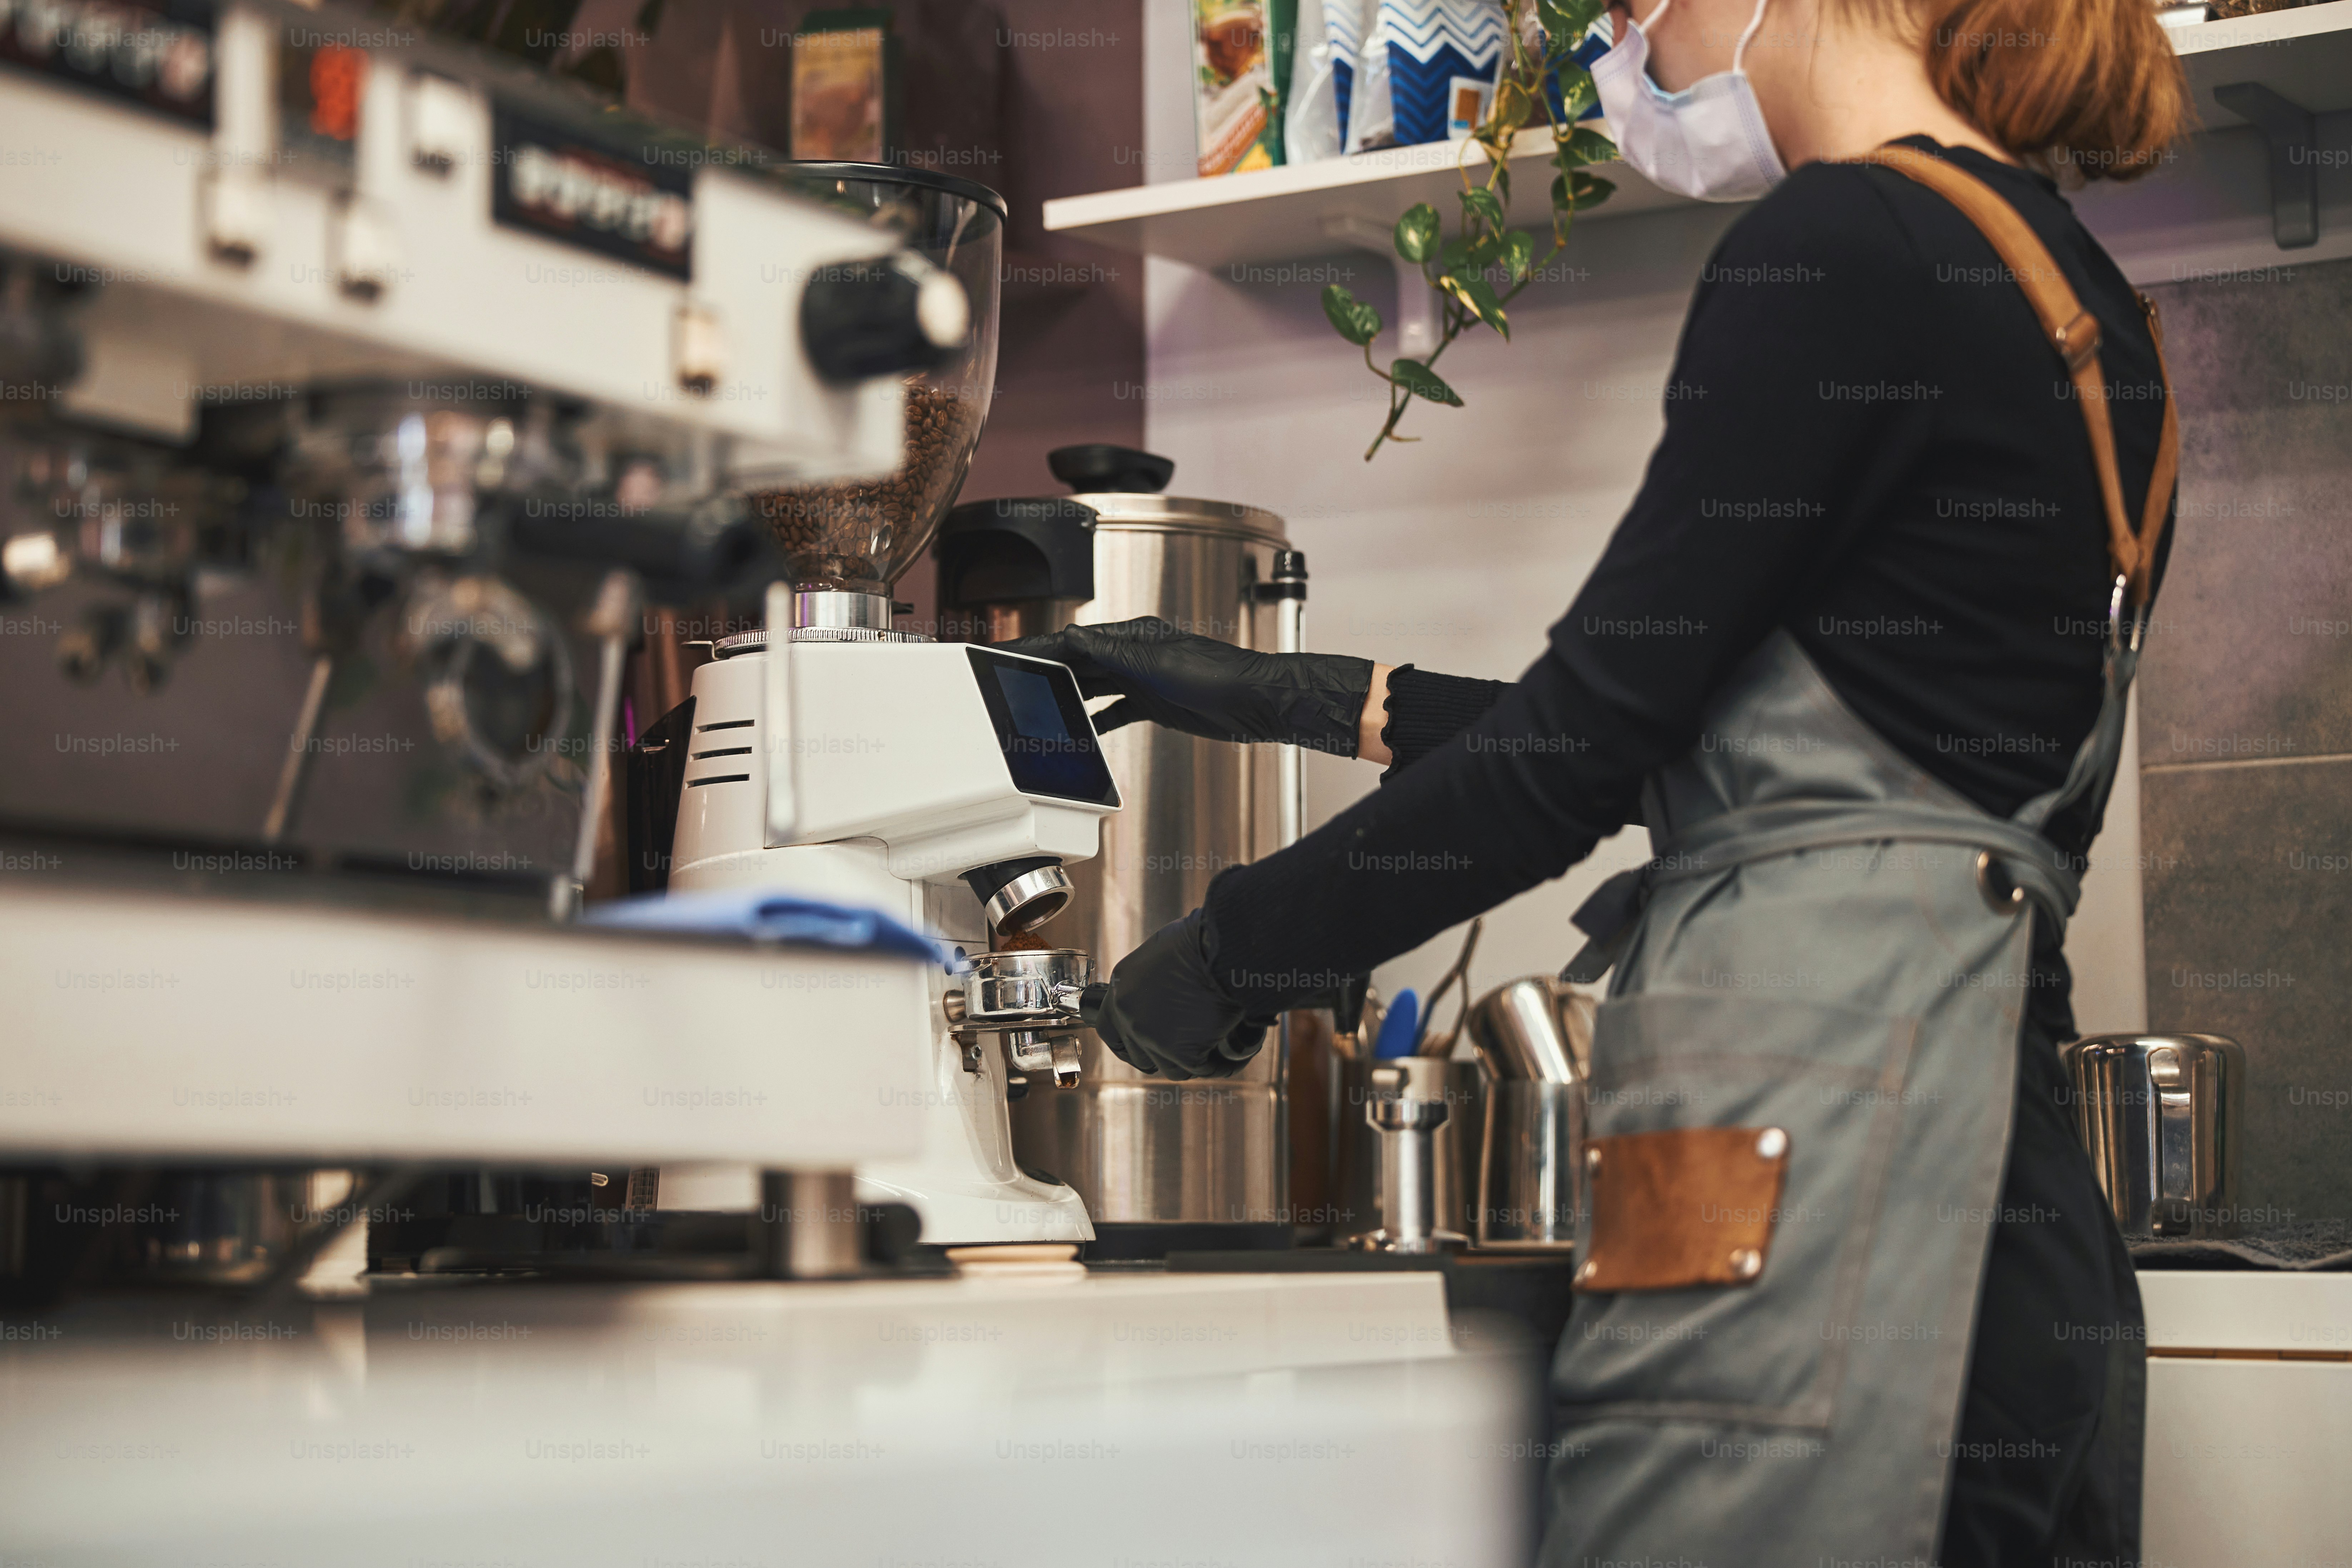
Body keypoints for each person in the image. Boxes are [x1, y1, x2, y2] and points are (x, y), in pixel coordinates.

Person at [1007, 0, 2186, 1560]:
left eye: (1630, 5)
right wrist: (1298, 694)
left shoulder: (1838, 243)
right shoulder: (2081, 304)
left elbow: (1583, 748)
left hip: (1827, 1224)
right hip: (2019, 1247)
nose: (1620, 37)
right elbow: (1767, 767)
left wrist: (1234, 952)